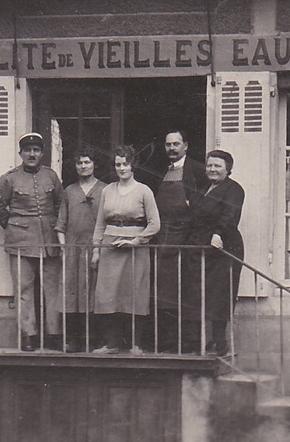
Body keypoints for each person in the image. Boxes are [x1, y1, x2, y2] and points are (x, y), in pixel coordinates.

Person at [0, 132, 63, 351]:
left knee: (52, 289)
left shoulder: (51, 176)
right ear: (20, 153)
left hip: (49, 239)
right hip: (20, 241)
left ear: (42, 153)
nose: (31, 154)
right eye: (27, 150)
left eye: (36, 150)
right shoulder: (9, 178)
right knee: (23, 289)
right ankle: (28, 335)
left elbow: (61, 206)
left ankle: (54, 334)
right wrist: (12, 224)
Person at [90, 146, 161, 353]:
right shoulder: (107, 190)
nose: (121, 168)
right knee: (107, 295)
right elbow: (100, 224)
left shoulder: (143, 191)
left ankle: (136, 343)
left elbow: (155, 224)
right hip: (109, 247)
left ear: (133, 165)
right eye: (118, 164)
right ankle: (111, 343)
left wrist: (136, 241)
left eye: (125, 164)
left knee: (134, 294)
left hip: (135, 250)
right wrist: (96, 250)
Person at [150, 129, 209, 353]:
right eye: (168, 145)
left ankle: (190, 342)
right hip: (164, 237)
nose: (171, 149)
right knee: (165, 292)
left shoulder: (197, 170)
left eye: (176, 144)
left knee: (187, 291)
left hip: (186, 238)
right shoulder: (160, 170)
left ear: (185, 145)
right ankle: (167, 341)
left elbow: (204, 205)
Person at [191, 149, 246, 355]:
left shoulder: (234, 189)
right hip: (202, 247)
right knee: (202, 293)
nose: (212, 169)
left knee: (220, 293)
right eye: (210, 165)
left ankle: (220, 342)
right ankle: (204, 341)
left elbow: (230, 215)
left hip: (224, 246)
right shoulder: (204, 188)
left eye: (217, 166)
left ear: (228, 169)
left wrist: (218, 234)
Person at [57, 151, 106, 352]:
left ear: (94, 164)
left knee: (95, 292)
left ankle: (93, 338)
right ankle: (74, 339)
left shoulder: (104, 190)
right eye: (79, 162)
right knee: (72, 293)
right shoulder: (69, 191)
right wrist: (63, 248)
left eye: (87, 162)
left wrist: (100, 248)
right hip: (72, 250)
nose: (83, 166)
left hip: (96, 249)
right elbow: (61, 223)